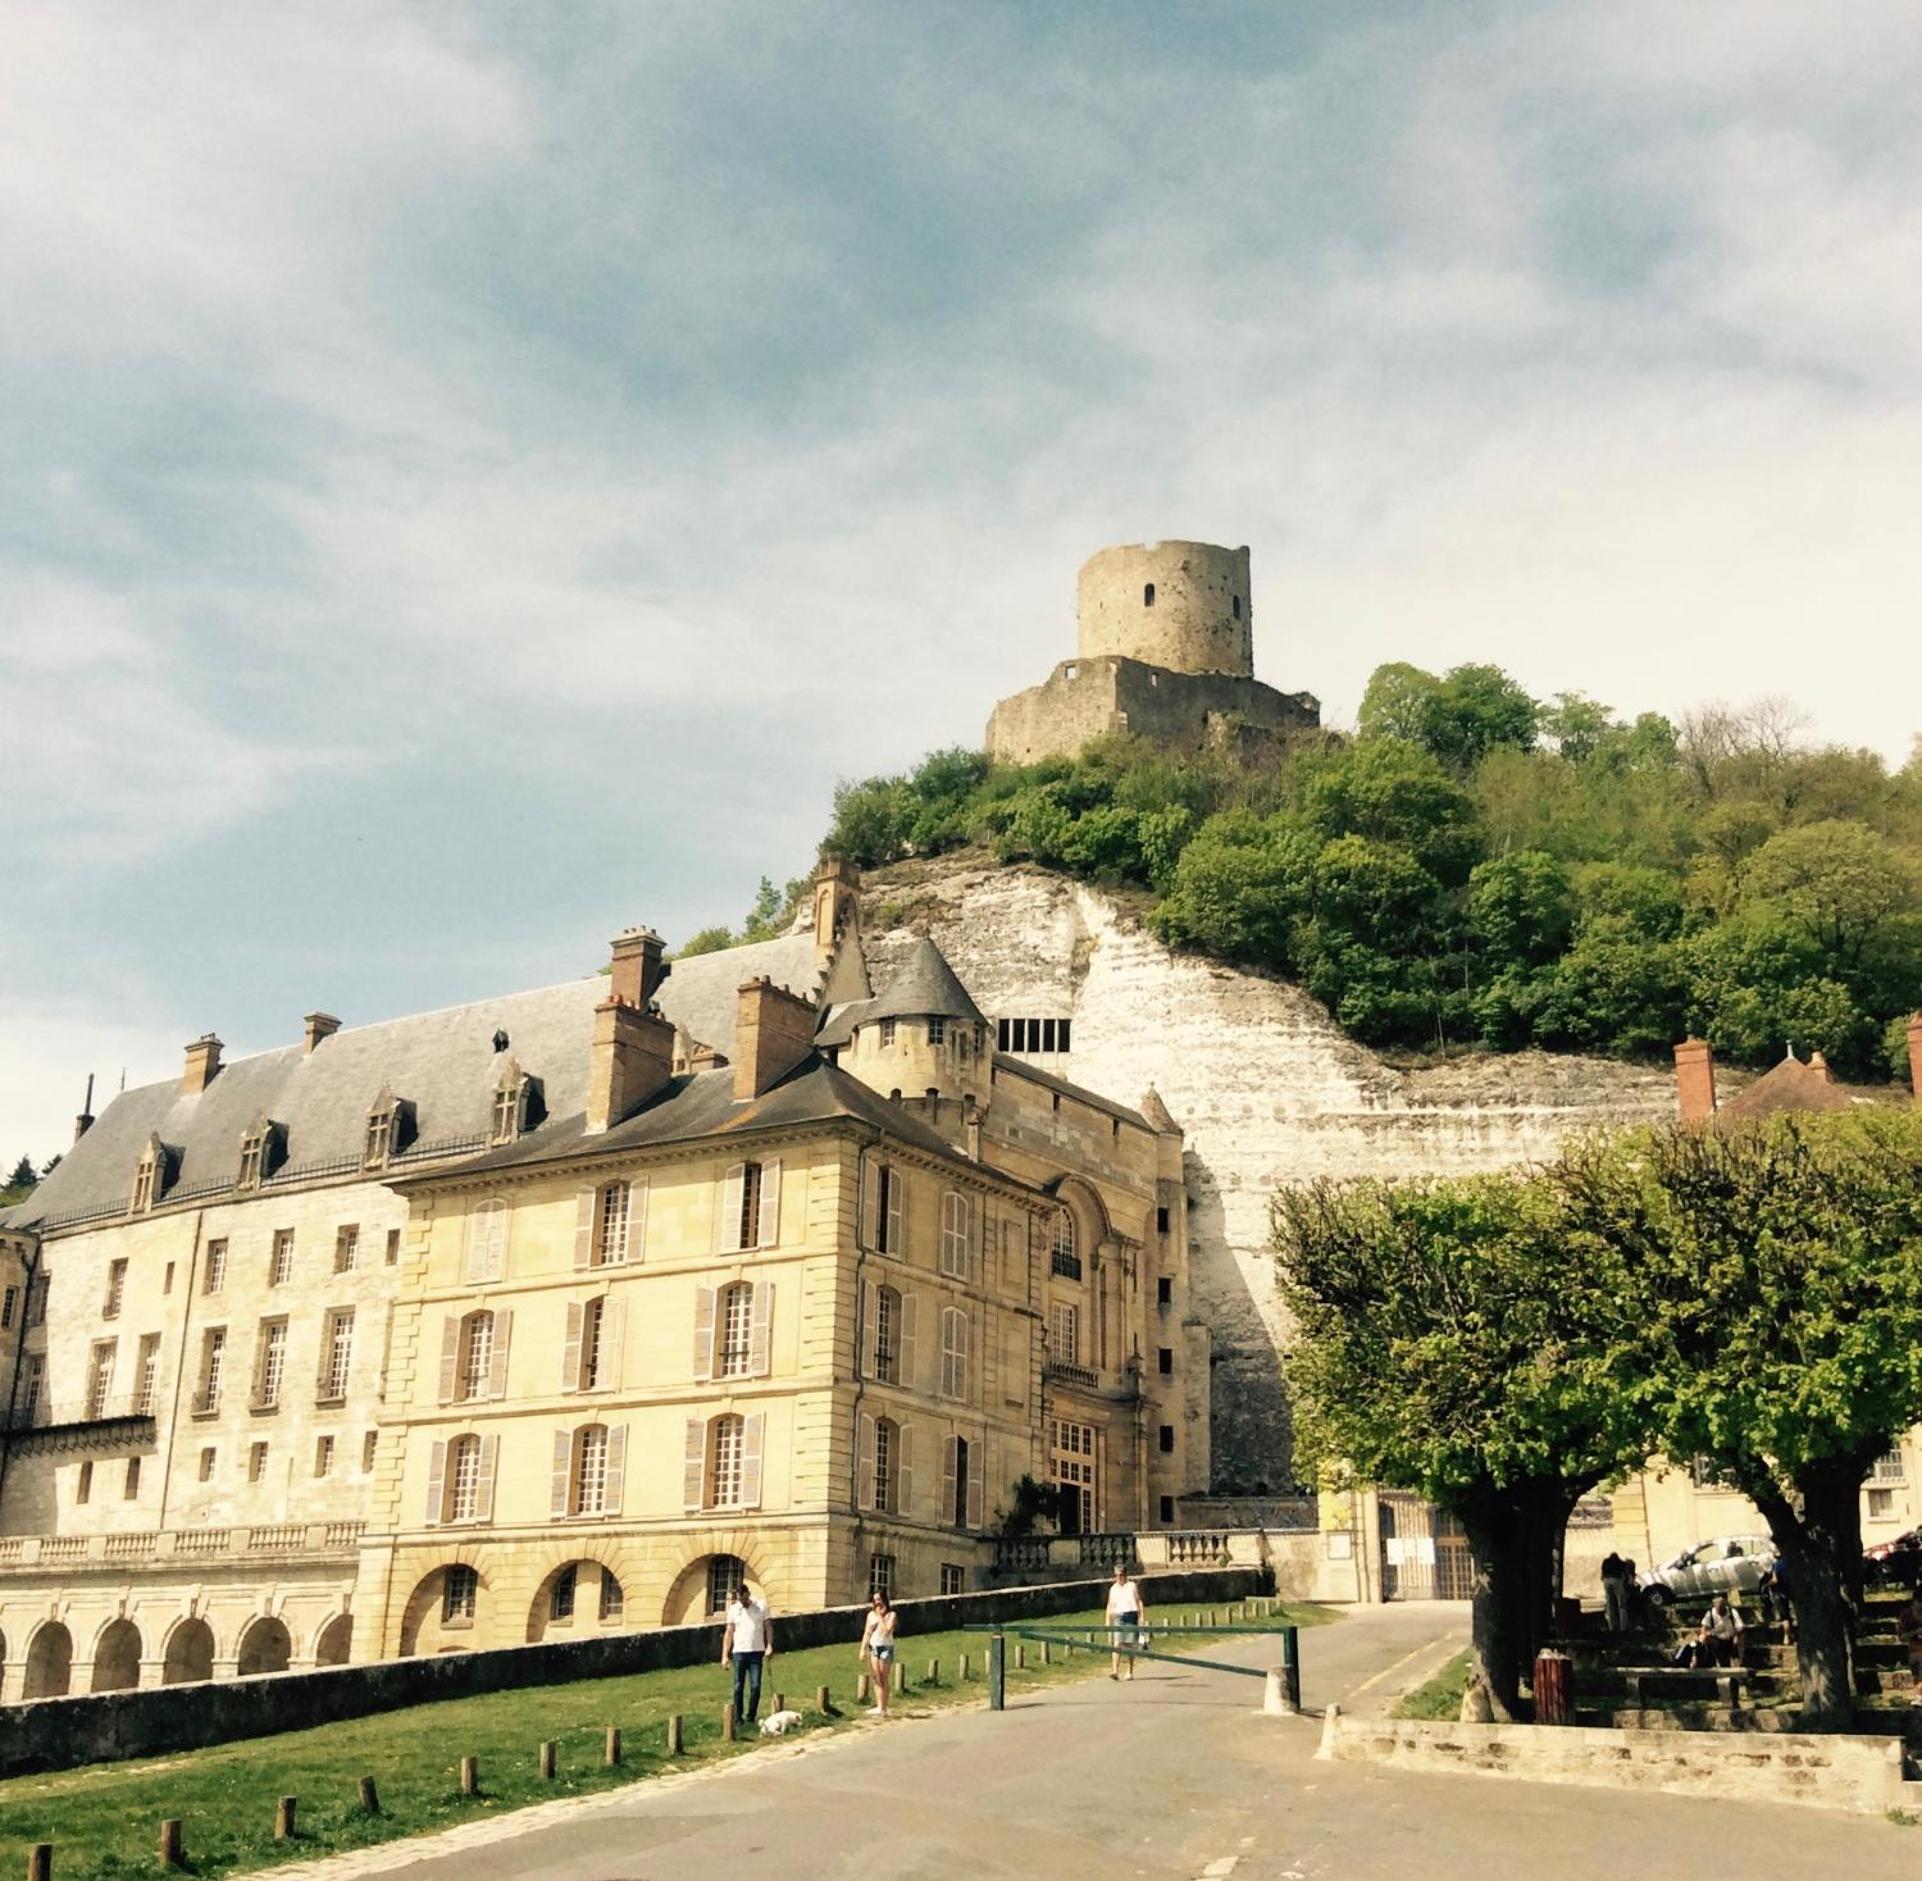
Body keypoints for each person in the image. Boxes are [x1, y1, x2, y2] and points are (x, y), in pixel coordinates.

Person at [720, 1580, 773, 1728]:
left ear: (748, 1594)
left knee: (755, 1686)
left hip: (756, 1651)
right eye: (739, 1599)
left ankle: (751, 1715)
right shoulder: (734, 1610)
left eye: (743, 1598)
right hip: (739, 1652)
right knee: (738, 1686)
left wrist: (769, 1645)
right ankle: (738, 1717)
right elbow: (729, 1632)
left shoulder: (761, 1606)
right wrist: (725, 1655)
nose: (742, 1601)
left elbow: (768, 1627)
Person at [1674, 1593, 1744, 1669]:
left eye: (1721, 1609)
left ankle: (1739, 1663)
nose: (1720, 1612)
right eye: (1718, 1609)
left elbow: (1740, 1626)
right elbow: (1704, 1628)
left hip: (1731, 1639)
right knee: (1703, 1638)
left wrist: (1736, 1635)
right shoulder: (1710, 1614)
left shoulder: (1732, 1612)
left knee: (1740, 1639)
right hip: (1717, 1640)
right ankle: (1704, 1663)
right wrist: (1709, 1636)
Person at [859, 1589, 898, 1718]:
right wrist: (863, 1649)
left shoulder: (891, 1615)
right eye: (875, 1600)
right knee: (876, 1677)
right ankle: (879, 1706)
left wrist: (880, 1616)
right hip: (874, 1647)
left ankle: (884, 1707)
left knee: (883, 1677)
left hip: (886, 1648)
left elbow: (886, 1631)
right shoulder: (870, 1615)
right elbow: (867, 1632)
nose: (876, 1603)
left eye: (879, 1600)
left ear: (884, 1600)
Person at [1106, 1560, 1148, 1680]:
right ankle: (1115, 1670)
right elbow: (1109, 1605)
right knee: (1117, 1643)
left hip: (1131, 1615)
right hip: (1119, 1616)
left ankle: (1129, 1670)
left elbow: (1139, 1601)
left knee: (1129, 1644)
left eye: (1121, 1575)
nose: (1119, 1577)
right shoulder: (1113, 1589)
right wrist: (1108, 1620)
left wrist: (1142, 1617)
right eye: (1117, 1575)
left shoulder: (1132, 1586)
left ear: (1125, 1575)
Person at [1896, 1590, 1922, 1707]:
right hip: (1915, 1649)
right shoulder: (1906, 1615)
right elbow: (1902, 1637)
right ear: (1914, 1602)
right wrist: (1916, 1632)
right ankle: (1920, 1695)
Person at [1600, 1552, 1628, 1633]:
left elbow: (1602, 1576)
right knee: (1621, 1605)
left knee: (1609, 1605)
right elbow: (1624, 1575)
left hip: (1607, 1581)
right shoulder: (1621, 1563)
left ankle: (1611, 1627)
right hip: (1617, 1581)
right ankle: (1623, 1627)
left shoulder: (1605, 1562)